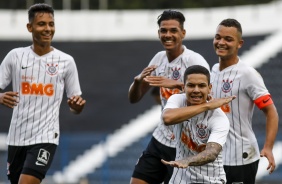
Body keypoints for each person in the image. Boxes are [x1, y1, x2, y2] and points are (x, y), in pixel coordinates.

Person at [0, 3, 86, 184]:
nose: (48, 29)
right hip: (17, 137)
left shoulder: (66, 61)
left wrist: (76, 107)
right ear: (30, 27)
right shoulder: (15, 56)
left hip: (46, 137)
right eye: (42, 24)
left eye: (51, 24)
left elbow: (75, 106)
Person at [128, 10, 210, 184]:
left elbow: (208, 97)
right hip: (160, 139)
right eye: (163, 31)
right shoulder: (158, 59)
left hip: (186, 145)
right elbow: (134, 98)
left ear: (183, 33)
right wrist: (137, 82)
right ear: (159, 33)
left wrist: (177, 84)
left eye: (173, 30)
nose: (168, 35)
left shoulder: (195, 61)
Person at [210, 18, 279, 184]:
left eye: (228, 39)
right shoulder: (212, 71)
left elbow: (271, 112)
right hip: (216, 157)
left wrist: (268, 147)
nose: (221, 42)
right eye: (218, 37)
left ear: (239, 44)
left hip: (241, 157)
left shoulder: (247, 74)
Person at [161, 65, 235, 183]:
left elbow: (212, 153)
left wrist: (187, 161)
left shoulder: (219, 118)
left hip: (210, 180)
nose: (196, 90)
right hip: (180, 179)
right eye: (191, 85)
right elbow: (167, 118)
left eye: (201, 86)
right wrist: (206, 105)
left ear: (209, 88)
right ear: (183, 87)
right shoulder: (177, 100)